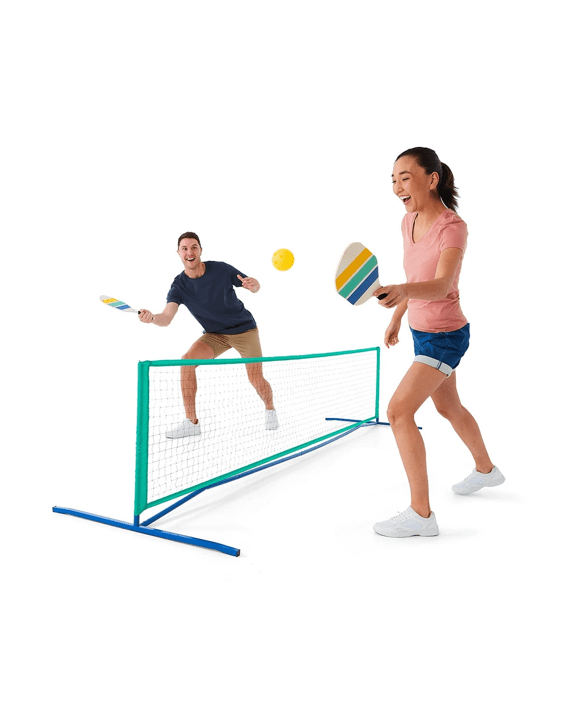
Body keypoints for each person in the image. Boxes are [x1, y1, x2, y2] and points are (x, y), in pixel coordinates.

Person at [372, 147, 504, 538]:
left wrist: (402, 291)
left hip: (445, 337)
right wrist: (398, 315)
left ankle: (421, 515)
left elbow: (442, 284)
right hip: (421, 332)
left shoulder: (452, 227)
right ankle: (486, 470)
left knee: (398, 412)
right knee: (448, 407)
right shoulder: (407, 221)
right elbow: (417, 278)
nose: (397, 187)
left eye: (405, 178)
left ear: (432, 179)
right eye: (393, 180)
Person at [139, 231, 278, 439]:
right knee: (186, 362)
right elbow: (166, 318)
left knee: (255, 378)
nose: (189, 252)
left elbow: (253, 285)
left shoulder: (221, 269)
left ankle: (270, 410)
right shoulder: (179, 286)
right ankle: (191, 423)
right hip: (215, 335)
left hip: (244, 330)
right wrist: (151, 318)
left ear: (200, 250)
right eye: (184, 248)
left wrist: (255, 285)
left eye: (194, 247)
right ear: (178, 253)